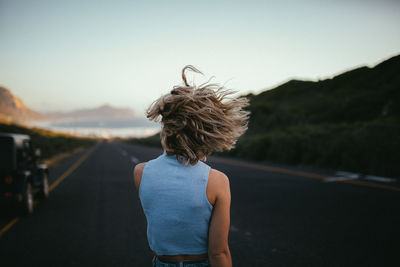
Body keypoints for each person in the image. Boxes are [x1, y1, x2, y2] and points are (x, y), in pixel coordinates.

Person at [133, 66, 249, 267]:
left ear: (166, 126)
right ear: (204, 133)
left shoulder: (140, 172)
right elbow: (219, 252)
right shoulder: (218, 181)